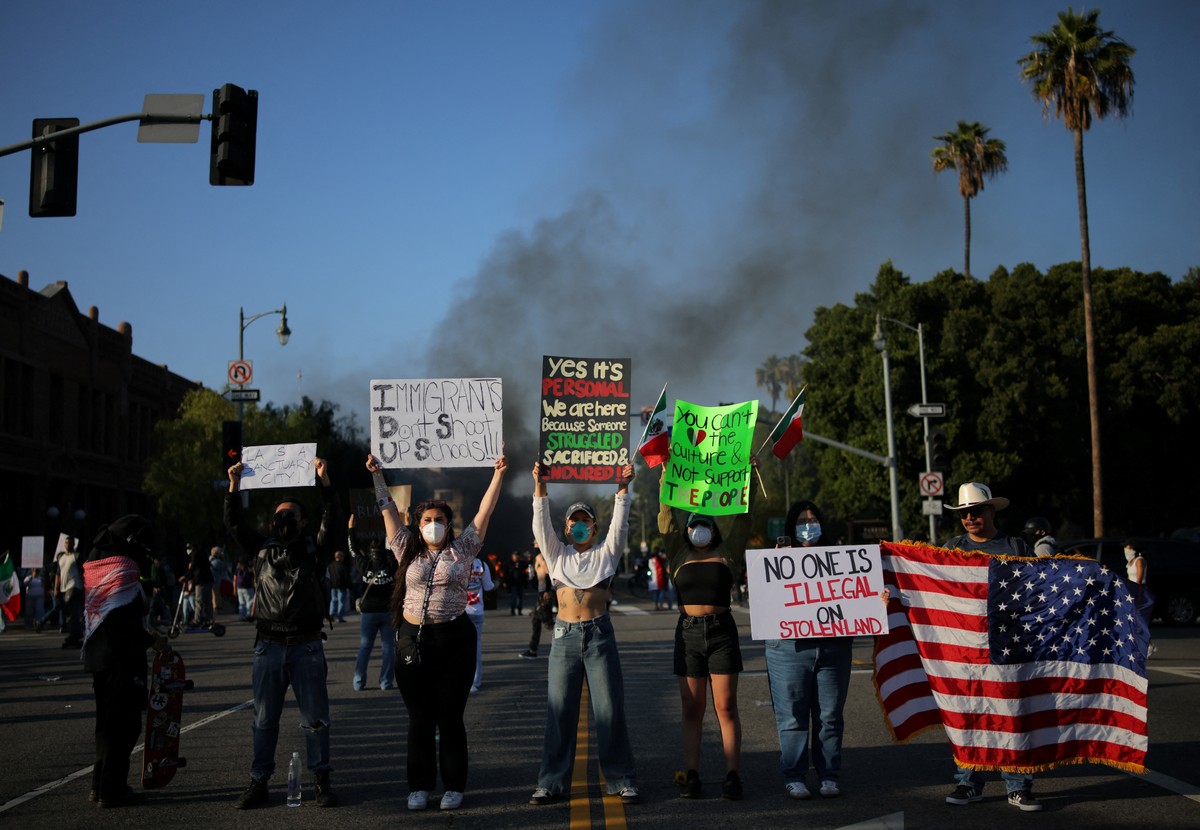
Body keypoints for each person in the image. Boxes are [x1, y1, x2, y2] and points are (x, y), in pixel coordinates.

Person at [368, 450, 508, 812]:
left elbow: (485, 511)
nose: (433, 525)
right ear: (418, 525)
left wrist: (498, 474)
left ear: (449, 524)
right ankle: (419, 786)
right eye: (427, 520)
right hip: (412, 641)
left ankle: (454, 785)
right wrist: (377, 475)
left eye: (440, 520)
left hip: (453, 641)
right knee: (419, 718)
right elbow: (387, 509)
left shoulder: (464, 549)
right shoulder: (405, 549)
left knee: (450, 717)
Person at [225, 456, 342, 809]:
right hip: (268, 647)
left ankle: (321, 779)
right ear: (271, 523)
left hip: (306, 646)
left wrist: (324, 482)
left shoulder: (315, 548)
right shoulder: (261, 548)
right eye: (279, 515)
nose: (284, 520)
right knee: (263, 720)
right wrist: (234, 486)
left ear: (304, 521)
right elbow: (234, 523)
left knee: (315, 721)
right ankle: (259, 781)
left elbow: (333, 519)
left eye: (291, 515)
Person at [528, 461, 639, 807]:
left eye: (584, 520)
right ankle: (551, 782)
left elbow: (621, 523)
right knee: (559, 711)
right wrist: (540, 485)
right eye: (573, 521)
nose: (578, 525)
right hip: (564, 638)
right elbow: (540, 523)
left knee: (609, 710)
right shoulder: (556, 555)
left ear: (594, 526)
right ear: (565, 527)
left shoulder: (607, 554)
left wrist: (622, 486)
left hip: (599, 635)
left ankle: (621, 779)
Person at [657, 458, 756, 800]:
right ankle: (693, 775)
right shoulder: (678, 553)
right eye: (693, 524)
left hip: (722, 632)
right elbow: (666, 519)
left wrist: (747, 476)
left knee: (725, 707)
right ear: (687, 530)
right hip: (688, 634)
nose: (699, 529)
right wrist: (667, 481)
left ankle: (733, 775)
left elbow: (743, 518)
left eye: (705, 524)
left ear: (714, 529)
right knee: (691, 708)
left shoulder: (728, 552)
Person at [942, 482, 1040, 812]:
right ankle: (969, 781)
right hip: (966, 648)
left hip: (1010, 646)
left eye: (976, 511)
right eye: (964, 513)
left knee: (1013, 714)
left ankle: (1018, 786)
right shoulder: (951, 549)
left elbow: (1040, 589)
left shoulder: (1016, 547)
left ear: (991, 511)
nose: (969, 518)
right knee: (968, 716)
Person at [764, 499, 854, 801]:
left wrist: (873, 600)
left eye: (813, 520)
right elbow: (766, 605)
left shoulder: (841, 560)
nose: (807, 526)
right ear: (791, 527)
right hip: (789, 649)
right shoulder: (775, 559)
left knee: (830, 716)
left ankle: (829, 775)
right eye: (801, 521)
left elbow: (856, 597)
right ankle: (794, 776)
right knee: (792, 717)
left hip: (833, 647)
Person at [82, 514, 160, 807]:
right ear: (133, 540)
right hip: (121, 658)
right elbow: (124, 621)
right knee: (125, 726)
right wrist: (151, 641)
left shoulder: (96, 560)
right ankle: (112, 789)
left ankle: (99, 785)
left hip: (98, 655)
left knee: (106, 725)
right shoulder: (123, 567)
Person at [347, 514, 397, 691]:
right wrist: (401, 525)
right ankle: (386, 682)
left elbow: (353, 550)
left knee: (365, 646)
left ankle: (358, 681)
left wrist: (351, 529)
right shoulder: (391, 564)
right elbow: (398, 548)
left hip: (368, 612)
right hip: (388, 610)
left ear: (370, 551)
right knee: (388, 648)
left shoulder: (364, 564)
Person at [464, 554, 495, 692]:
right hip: (477, 610)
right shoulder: (482, 565)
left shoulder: (456, 564)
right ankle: (475, 680)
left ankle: (462, 679)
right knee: (475, 647)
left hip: (459, 611)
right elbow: (489, 587)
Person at [519, 543, 553, 659]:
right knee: (536, 620)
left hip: (545, 593)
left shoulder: (543, 556)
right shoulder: (538, 557)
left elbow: (548, 572)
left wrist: (549, 590)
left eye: (536, 542)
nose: (534, 544)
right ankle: (532, 650)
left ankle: (568, 642)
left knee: (548, 623)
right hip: (541, 592)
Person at [1124, 540, 1156, 656]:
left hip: (1140, 592)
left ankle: (1149, 645)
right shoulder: (1130, 562)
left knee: (1139, 620)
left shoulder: (1139, 561)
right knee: (1130, 621)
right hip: (1131, 592)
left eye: (1129, 548)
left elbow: (1139, 578)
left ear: (1134, 549)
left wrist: (1135, 591)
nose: (1126, 551)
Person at [57, 535, 84, 649]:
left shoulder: (77, 556)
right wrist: (56, 588)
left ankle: (74, 635)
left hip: (74, 585)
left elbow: (84, 571)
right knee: (71, 612)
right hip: (64, 588)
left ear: (74, 544)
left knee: (71, 611)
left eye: (70, 543)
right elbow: (58, 573)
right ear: (64, 544)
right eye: (66, 543)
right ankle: (76, 634)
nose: (68, 545)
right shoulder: (61, 557)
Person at [183, 544, 214, 627]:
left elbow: (193, 566)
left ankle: (197, 620)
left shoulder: (195, 554)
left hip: (200, 580)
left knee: (199, 601)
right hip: (208, 579)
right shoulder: (203, 553)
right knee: (208, 601)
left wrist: (187, 576)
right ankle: (209, 619)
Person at [328, 550, 353, 623]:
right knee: (341, 601)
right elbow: (346, 577)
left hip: (333, 586)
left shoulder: (330, 566)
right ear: (340, 557)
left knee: (333, 600)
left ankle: (331, 614)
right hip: (342, 586)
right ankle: (339, 617)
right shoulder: (343, 566)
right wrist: (350, 586)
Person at [234, 558, 256, 622]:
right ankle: (248, 615)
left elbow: (235, 580)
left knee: (241, 603)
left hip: (239, 588)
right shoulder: (249, 570)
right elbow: (253, 579)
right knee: (249, 602)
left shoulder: (237, 570)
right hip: (248, 588)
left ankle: (241, 616)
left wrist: (234, 589)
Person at [505, 552, 526, 616]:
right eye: (515, 556)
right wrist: (505, 581)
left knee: (521, 598)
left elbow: (526, 567)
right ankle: (513, 610)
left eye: (517, 556)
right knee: (513, 598)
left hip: (520, 583)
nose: (517, 557)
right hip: (513, 583)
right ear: (512, 557)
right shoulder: (509, 563)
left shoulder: (521, 563)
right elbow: (506, 573)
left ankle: (519, 610)